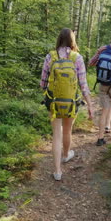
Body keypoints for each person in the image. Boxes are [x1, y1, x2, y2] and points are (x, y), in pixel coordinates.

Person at [40, 28, 94, 181]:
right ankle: (66, 155)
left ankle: (57, 172)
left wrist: (49, 89)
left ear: (59, 40)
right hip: (71, 102)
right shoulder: (77, 57)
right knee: (67, 130)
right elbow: (83, 85)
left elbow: (42, 83)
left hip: (53, 102)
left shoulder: (50, 56)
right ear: (72, 41)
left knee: (56, 134)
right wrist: (90, 105)